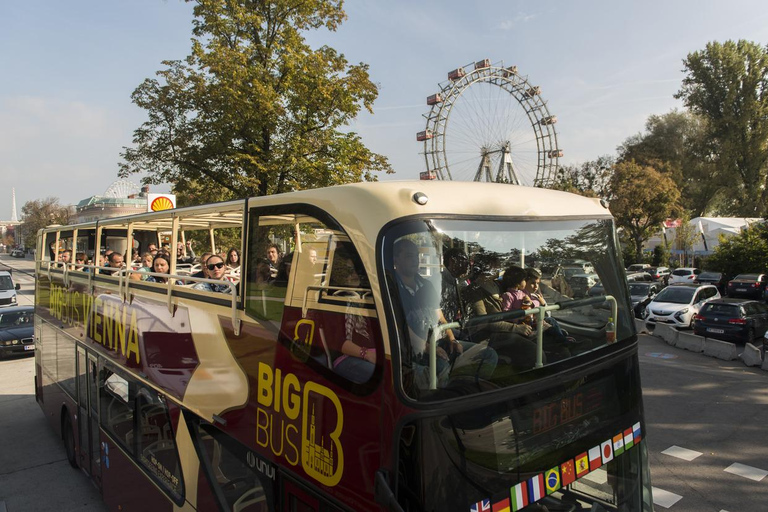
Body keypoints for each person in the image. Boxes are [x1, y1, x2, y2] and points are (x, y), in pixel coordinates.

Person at [393, 239, 496, 389]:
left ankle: (470, 391)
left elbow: (439, 316)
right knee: (441, 366)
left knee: (489, 354)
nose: (415, 260)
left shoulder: (426, 284)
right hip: (414, 348)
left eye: (416, 256)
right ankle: (445, 400)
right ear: (396, 260)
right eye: (409, 256)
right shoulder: (393, 288)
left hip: (438, 339)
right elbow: (401, 327)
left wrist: (453, 339)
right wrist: (429, 348)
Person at [328, 247, 376, 383]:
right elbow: (337, 342)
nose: (354, 275)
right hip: (346, 358)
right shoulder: (334, 300)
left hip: (372, 353)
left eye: (357, 270)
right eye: (349, 271)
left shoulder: (366, 298)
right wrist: (366, 354)